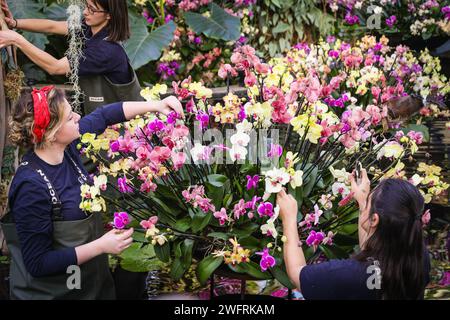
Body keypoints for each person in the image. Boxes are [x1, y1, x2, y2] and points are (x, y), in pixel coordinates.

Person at [0, 86, 183, 300]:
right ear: (51, 133)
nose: (78, 117)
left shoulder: (66, 147)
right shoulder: (30, 186)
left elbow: (105, 115)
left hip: (88, 286)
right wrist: (101, 246)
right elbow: (38, 264)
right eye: (70, 117)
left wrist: (157, 105)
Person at [277, 169, 430, 300]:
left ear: (374, 219)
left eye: (370, 200)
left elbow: (297, 274)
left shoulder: (351, 274)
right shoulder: (417, 257)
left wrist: (289, 220)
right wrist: (364, 203)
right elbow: (370, 253)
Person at [0, 0, 142, 115]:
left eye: (92, 9)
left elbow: (54, 67)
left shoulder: (106, 51)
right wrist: (15, 23)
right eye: (86, 5)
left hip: (121, 127)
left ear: (109, 15)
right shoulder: (90, 28)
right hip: (103, 116)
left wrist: (17, 40)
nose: (86, 12)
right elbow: (52, 26)